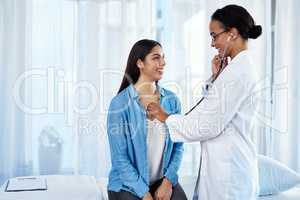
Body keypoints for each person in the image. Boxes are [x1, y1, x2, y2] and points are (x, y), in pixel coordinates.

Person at [147, 5, 262, 200]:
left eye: (214, 35)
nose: (212, 43)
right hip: (225, 169)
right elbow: (214, 107)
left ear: (232, 34)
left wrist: (164, 116)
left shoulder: (238, 72)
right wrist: (216, 78)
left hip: (229, 176)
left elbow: (207, 125)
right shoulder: (235, 69)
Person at [107, 39, 187, 200]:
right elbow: (119, 158)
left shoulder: (172, 101)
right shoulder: (120, 104)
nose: (163, 62)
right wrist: (144, 194)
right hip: (127, 184)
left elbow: (178, 146)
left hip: (161, 181)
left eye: (163, 57)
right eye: (156, 57)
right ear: (140, 63)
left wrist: (168, 182)